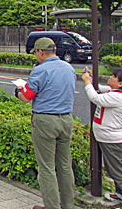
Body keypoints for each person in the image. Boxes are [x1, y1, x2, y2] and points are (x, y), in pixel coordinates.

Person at [16, 37, 76, 209]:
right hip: (66, 119)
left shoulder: (40, 71)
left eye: (36, 52)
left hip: (45, 121)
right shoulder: (69, 68)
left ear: (41, 52)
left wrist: (18, 91)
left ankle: (52, 206)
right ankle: (68, 205)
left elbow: (26, 97)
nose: (36, 55)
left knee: (47, 168)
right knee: (64, 165)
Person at [82, 67, 122, 203]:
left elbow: (95, 97)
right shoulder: (114, 92)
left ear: (120, 83)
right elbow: (98, 88)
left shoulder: (117, 97)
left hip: (112, 140)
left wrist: (87, 82)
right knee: (114, 169)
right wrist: (90, 78)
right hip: (108, 137)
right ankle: (119, 194)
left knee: (117, 171)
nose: (110, 77)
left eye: (113, 76)